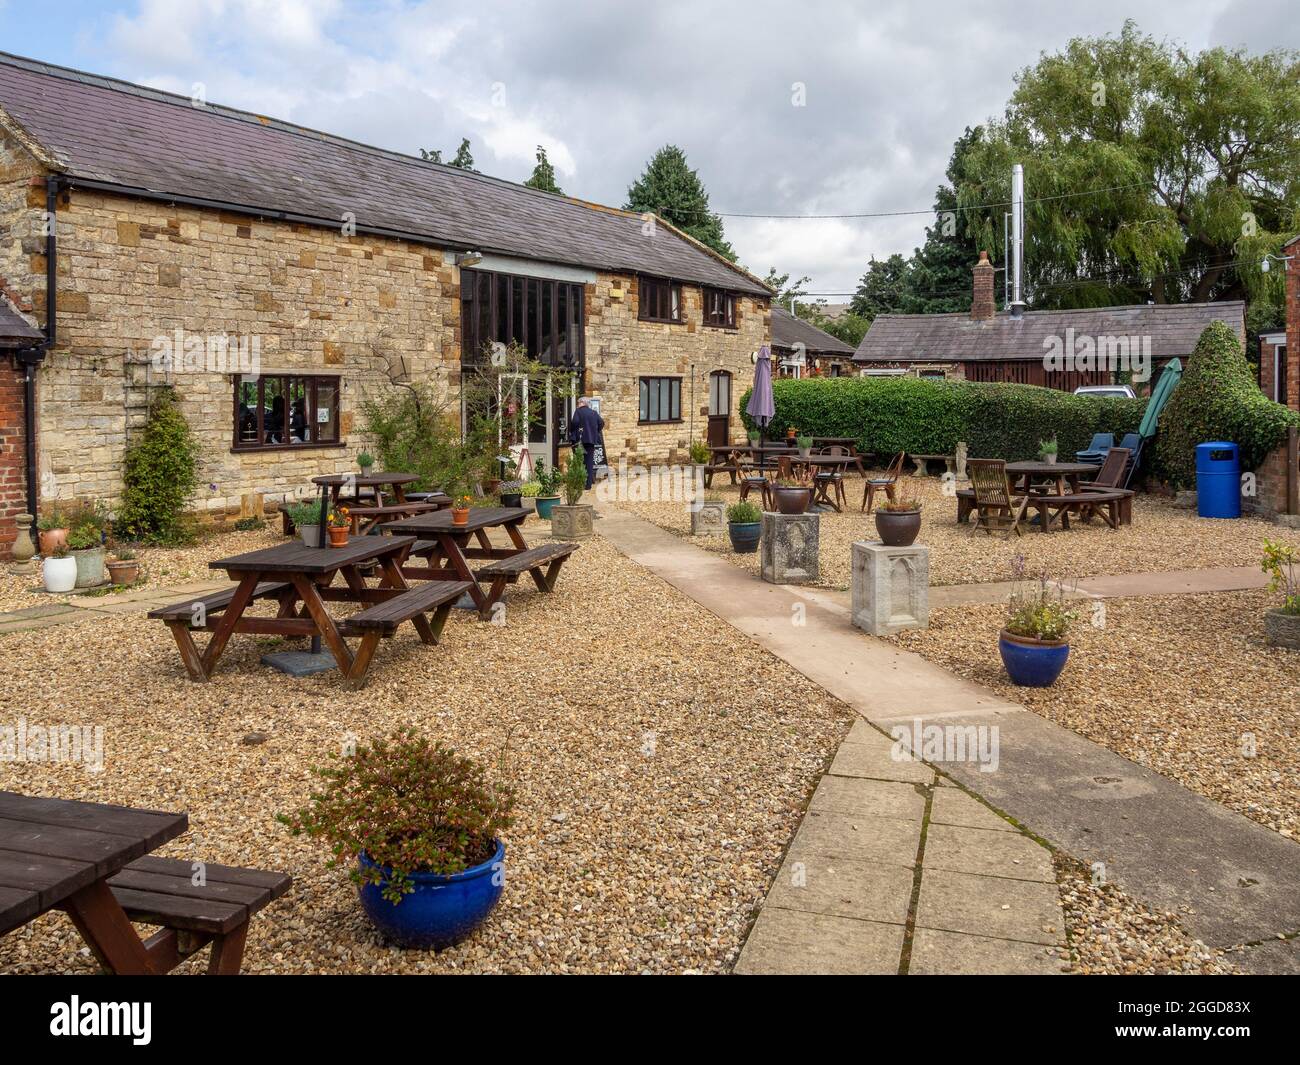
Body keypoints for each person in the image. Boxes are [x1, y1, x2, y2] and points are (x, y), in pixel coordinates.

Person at [567, 397, 605, 489]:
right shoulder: (593, 413)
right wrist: (595, 432)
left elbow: (575, 422)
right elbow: (601, 423)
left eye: (578, 403)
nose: (577, 404)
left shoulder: (578, 411)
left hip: (579, 440)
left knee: (579, 460)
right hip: (591, 440)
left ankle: (579, 483)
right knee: (589, 461)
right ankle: (588, 485)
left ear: (582, 403)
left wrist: (572, 431)